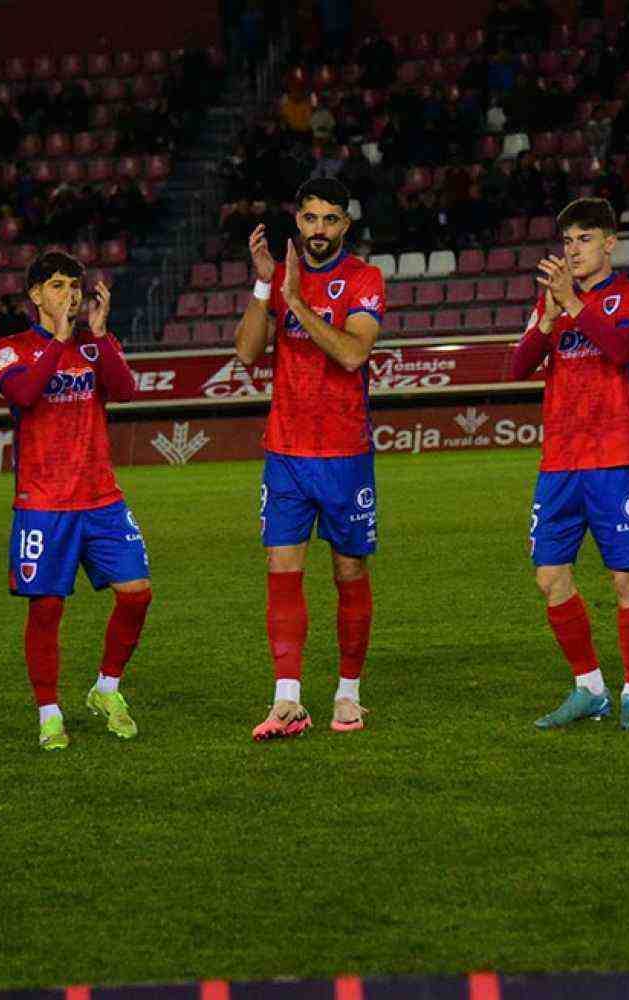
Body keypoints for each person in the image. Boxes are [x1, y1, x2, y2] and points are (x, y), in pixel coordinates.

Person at [233, 177, 385, 740]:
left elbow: (352, 352)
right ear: (296, 220)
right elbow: (248, 352)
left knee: (349, 570)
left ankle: (348, 695)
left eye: (330, 220)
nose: (318, 230)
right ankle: (287, 700)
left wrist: (295, 299)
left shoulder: (364, 278)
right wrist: (262, 285)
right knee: (282, 570)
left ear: (345, 224)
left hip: (345, 452)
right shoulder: (277, 282)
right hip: (286, 453)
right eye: (310, 219)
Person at [508, 197, 629, 731]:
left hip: (615, 458)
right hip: (560, 463)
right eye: (568, 241)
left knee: (624, 580)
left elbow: (621, 350)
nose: (574, 250)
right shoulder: (552, 300)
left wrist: (573, 305)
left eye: (585, 239)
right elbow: (519, 366)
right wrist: (548, 318)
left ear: (610, 242)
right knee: (550, 577)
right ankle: (589, 687)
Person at [0, 252, 150, 751]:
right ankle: (49, 712)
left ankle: (106, 689)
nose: (70, 295)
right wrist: (58, 340)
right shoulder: (11, 348)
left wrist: (100, 337)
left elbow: (124, 390)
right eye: (58, 286)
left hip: (101, 498)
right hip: (43, 504)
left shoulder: (93, 346)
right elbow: (23, 394)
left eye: (75, 286)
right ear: (36, 295)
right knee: (47, 608)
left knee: (137, 592)